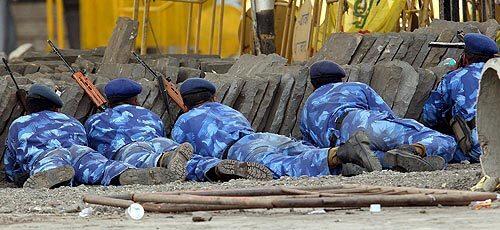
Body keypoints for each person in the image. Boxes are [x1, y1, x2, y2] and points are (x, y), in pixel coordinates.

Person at [172, 78, 382, 182]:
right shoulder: (229, 110)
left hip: (238, 149)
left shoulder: (184, 121)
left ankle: (340, 154)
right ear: (213, 97)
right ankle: (349, 160)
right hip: (264, 137)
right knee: (301, 150)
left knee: (282, 167)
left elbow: (184, 155)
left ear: (186, 102)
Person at [4, 84, 173, 189]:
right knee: (101, 166)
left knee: (51, 166)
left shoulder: (19, 124)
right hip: (80, 151)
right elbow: (86, 142)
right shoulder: (72, 121)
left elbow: (11, 163)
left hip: (47, 155)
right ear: (56, 108)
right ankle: (122, 173)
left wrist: (15, 176)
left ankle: (57, 177)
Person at [300, 60, 456, 172]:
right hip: (359, 122)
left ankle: (386, 161)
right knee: (446, 141)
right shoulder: (356, 87)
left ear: (313, 85)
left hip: (341, 147)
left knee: (369, 156)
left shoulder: (308, 106)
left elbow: (311, 146)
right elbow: (387, 115)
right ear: (341, 79)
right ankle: (414, 150)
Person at [85, 78, 193, 181]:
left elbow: (93, 150)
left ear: (109, 100)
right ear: (135, 99)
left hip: (129, 148)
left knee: (140, 159)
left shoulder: (95, 121)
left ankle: (163, 160)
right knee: (190, 160)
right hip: (160, 142)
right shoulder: (151, 115)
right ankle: (206, 166)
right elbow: (161, 132)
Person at [422, 33, 498, 163]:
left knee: (443, 144)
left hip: (480, 148)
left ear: (466, 57)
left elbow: (430, 116)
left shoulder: (453, 78)